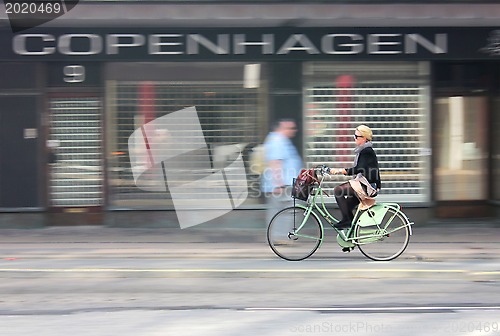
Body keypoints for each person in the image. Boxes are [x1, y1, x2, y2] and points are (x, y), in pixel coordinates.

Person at [329, 125, 381, 229]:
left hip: (367, 186)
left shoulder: (367, 151)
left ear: (364, 138)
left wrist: (339, 171)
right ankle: (350, 237)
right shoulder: (363, 150)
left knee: (338, 190)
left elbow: (359, 169)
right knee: (347, 207)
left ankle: (347, 221)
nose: (354, 138)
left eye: (356, 136)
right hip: (365, 184)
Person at [261, 119, 303, 224]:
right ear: (282, 128)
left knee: (283, 212)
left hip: (285, 184)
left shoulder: (280, 140)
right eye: (291, 128)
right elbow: (275, 162)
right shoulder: (277, 141)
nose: (295, 130)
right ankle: (281, 238)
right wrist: (278, 184)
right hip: (283, 185)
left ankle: (280, 237)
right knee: (287, 212)